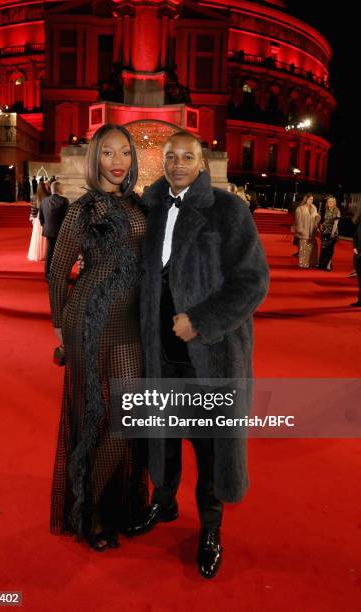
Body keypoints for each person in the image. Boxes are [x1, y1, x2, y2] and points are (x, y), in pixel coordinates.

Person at [127, 131, 269, 579]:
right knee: (164, 439)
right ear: (161, 161)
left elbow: (252, 282)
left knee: (210, 450)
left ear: (202, 163)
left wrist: (202, 320)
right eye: (171, 156)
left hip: (210, 353)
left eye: (188, 156)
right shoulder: (147, 207)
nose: (178, 163)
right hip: (159, 351)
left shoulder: (229, 210)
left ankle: (210, 529)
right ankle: (163, 504)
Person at [48, 124, 148, 551]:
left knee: (128, 416)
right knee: (95, 416)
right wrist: (59, 327)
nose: (117, 161)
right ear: (95, 159)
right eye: (107, 153)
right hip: (89, 317)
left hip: (129, 322)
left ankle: (99, 497)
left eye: (124, 152)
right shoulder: (82, 209)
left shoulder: (140, 205)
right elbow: (58, 270)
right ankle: (88, 512)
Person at [39, 181, 69, 280]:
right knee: (62, 254)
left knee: (49, 253)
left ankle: (48, 276)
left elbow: (41, 218)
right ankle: (60, 277)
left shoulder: (44, 201)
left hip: (48, 231)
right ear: (59, 189)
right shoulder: (64, 200)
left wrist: (47, 227)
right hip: (61, 232)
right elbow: (66, 218)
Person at [294, 193, 320, 269]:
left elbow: (315, 218)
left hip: (311, 231)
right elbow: (298, 221)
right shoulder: (300, 208)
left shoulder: (314, 208)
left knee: (311, 248)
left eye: (312, 199)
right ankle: (303, 263)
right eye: (310, 199)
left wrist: (318, 217)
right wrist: (301, 230)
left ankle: (311, 263)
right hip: (303, 231)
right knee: (303, 248)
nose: (311, 201)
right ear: (306, 199)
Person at [27, 181, 48, 262]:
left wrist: (33, 217)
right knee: (44, 237)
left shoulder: (34, 197)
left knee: (37, 236)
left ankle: (38, 253)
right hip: (45, 217)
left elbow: (33, 208)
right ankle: (44, 253)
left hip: (37, 219)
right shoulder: (47, 197)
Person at [318, 196, 341, 271]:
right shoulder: (326, 210)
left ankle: (328, 265)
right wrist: (321, 226)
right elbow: (324, 221)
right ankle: (321, 265)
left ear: (334, 203)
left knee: (330, 249)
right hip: (324, 232)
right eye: (329, 202)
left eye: (331, 201)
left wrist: (333, 233)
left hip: (332, 233)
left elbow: (336, 223)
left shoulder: (337, 210)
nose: (330, 203)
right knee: (323, 248)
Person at [351, 206, 361, 307]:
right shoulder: (359, 224)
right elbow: (355, 236)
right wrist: (354, 248)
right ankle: (360, 300)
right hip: (358, 255)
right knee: (360, 279)